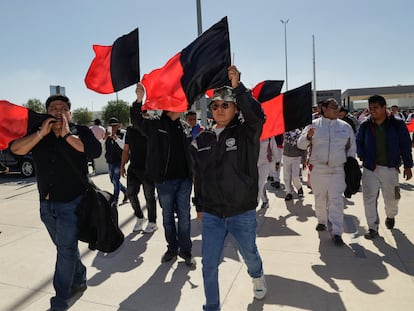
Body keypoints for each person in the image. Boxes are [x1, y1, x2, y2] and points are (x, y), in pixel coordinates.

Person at [9, 94, 101, 311]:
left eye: (62, 107)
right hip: (46, 205)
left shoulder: (80, 131)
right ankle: (79, 278)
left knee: (65, 249)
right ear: (46, 112)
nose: (57, 111)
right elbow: (16, 150)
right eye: (53, 108)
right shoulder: (39, 133)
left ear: (70, 111)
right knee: (64, 248)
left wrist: (66, 134)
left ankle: (59, 301)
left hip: (73, 203)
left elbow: (94, 151)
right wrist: (41, 133)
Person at [190, 65, 267, 310]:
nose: (220, 109)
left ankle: (257, 276)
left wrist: (238, 87)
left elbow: (257, 116)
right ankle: (211, 306)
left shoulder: (246, 133)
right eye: (215, 105)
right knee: (209, 264)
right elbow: (198, 177)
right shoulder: (200, 140)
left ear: (235, 108)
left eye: (226, 104)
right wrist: (199, 206)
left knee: (250, 255)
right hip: (212, 214)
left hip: (241, 212)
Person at [131, 84, 194, 266]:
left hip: (184, 181)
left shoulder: (183, 127)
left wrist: (193, 174)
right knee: (167, 218)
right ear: (171, 107)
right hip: (164, 182)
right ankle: (172, 249)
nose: (183, 107)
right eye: (180, 103)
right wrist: (139, 99)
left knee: (184, 218)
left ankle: (186, 250)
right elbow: (137, 121)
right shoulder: (155, 125)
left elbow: (188, 153)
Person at [298, 98, 356, 246]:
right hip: (319, 170)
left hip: (337, 170)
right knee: (320, 199)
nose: (337, 109)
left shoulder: (345, 127)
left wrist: (351, 166)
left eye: (338, 107)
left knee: (336, 201)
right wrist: (308, 136)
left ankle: (337, 232)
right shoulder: (313, 125)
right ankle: (322, 221)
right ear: (323, 108)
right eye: (333, 107)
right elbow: (301, 145)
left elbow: (351, 148)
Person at [356, 95, 413, 239]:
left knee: (392, 198)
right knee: (369, 199)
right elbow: (359, 142)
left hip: (390, 168)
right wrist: (363, 156)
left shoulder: (397, 124)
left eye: (375, 108)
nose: (372, 111)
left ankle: (391, 215)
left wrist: (408, 165)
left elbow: (405, 145)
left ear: (384, 107)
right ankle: (373, 228)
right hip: (370, 168)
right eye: (370, 108)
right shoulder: (365, 125)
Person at [121, 125, 158, 233]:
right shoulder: (130, 130)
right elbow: (126, 149)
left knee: (149, 196)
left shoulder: (150, 127)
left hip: (148, 169)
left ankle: (152, 222)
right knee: (130, 193)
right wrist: (122, 165)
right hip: (134, 168)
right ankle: (140, 217)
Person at [105, 117, 128, 206]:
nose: (113, 127)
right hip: (110, 160)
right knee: (113, 180)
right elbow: (101, 144)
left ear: (118, 125)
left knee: (115, 180)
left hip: (119, 160)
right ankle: (125, 191)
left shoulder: (122, 134)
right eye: (111, 126)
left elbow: (124, 146)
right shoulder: (107, 135)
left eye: (115, 126)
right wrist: (105, 137)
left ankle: (115, 199)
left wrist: (116, 138)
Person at [283, 128, 307, 201]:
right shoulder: (285, 132)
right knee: (286, 176)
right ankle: (288, 192)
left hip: (296, 157)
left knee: (295, 176)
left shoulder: (300, 134)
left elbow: (304, 147)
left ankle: (299, 187)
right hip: (286, 156)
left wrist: (304, 160)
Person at [257, 137, 277, 208]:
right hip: (252, 163)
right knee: (258, 185)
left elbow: (274, 149)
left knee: (259, 185)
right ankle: (265, 200)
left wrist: (277, 162)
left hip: (265, 163)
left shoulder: (269, 136)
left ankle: (253, 210)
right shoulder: (251, 133)